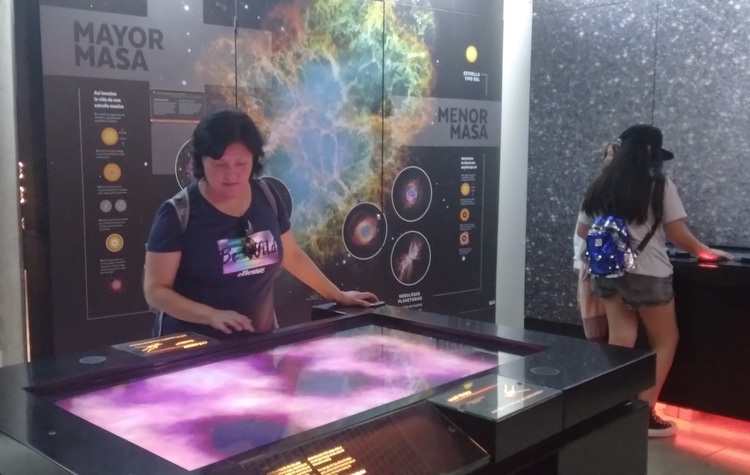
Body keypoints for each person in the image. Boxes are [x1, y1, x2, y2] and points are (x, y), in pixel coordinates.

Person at [143, 109, 378, 340]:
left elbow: (293, 256)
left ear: (254, 160)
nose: (232, 174)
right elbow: (156, 290)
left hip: (257, 343)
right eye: (220, 164)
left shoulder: (267, 197)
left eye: (241, 163)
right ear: (201, 161)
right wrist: (211, 316)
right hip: (194, 349)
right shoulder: (178, 214)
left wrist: (338, 295)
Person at [576, 124, 732, 438]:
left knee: (621, 339)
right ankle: (644, 414)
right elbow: (677, 234)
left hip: (608, 272)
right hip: (648, 273)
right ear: (650, 152)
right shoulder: (658, 185)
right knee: (665, 340)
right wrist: (705, 252)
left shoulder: (602, 183)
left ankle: (614, 409)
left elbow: (583, 230)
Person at [573, 142, 619, 342]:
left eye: (613, 154)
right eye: (607, 154)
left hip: (616, 267)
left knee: (616, 324)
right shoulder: (598, 188)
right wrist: (578, 260)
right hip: (594, 263)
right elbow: (581, 228)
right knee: (595, 327)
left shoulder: (630, 191)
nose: (608, 159)